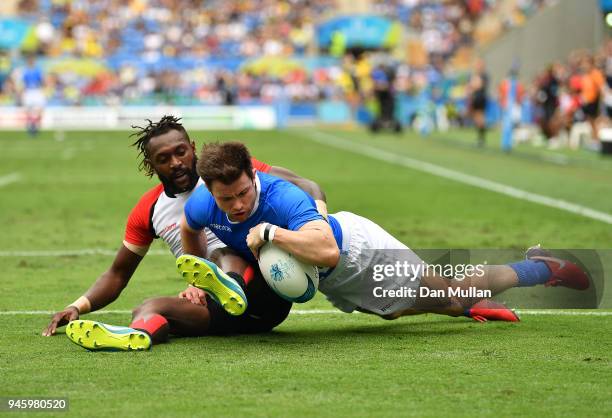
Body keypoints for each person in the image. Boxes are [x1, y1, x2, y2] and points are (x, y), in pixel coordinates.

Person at [179, 141, 590, 321]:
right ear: (210, 190)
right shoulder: (202, 202)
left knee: (449, 293)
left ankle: (539, 268)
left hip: (361, 252)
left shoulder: (282, 199)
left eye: (243, 192)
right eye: (226, 199)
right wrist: (197, 272)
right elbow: (189, 226)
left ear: (253, 175)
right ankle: (463, 304)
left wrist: (270, 233)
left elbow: (327, 251)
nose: (236, 204)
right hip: (335, 281)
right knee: (406, 310)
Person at [43, 116, 327, 351]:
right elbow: (118, 274)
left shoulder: (227, 173)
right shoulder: (149, 209)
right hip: (215, 310)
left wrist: (318, 228)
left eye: (180, 151)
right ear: (151, 166)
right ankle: (135, 335)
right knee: (148, 307)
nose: (176, 162)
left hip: (267, 290)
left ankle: (228, 284)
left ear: (192, 148)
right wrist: (77, 306)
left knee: (223, 250)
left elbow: (308, 185)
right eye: (163, 158)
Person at [20, 55, 45, 137]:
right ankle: (30, 125)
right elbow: (23, 82)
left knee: (40, 109)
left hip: (36, 91)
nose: (31, 62)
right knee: (28, 110)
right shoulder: (25, 71)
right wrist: (22, 92)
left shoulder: (38, 71)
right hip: (29, 91)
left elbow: (42, 81)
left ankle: (35, 125)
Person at [468, 59, 489, 146]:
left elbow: (478, 86)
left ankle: (481, 139)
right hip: (476, 97)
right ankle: (480, 138)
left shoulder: (484, 75)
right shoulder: (476, 75)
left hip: (480, 98)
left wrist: (473, 85)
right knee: (476, 118)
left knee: (480, 118)